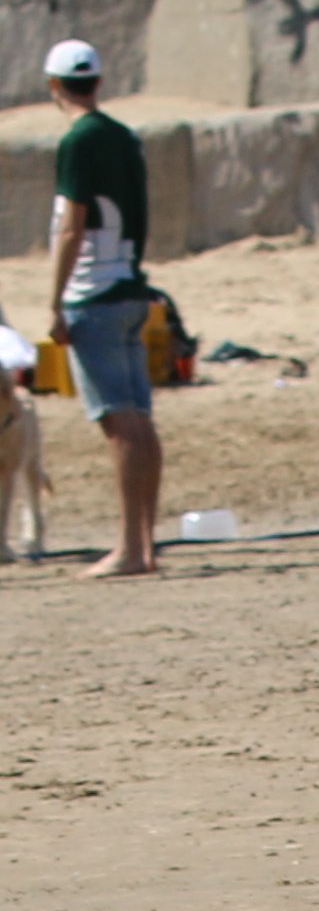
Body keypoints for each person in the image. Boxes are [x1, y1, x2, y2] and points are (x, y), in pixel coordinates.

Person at [42, 39, 161, 581]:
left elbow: (72, 225)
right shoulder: (123, 136)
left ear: (54, 85)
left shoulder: (79, 140)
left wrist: (55, 301)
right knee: (138, 418)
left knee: (119, 421)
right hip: (130, 285)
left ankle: (130, 549)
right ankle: (145, 543)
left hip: (95, 292)